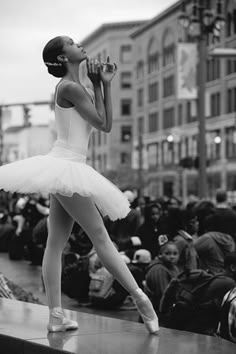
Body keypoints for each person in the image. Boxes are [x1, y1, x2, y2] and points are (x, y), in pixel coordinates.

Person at [0, 36, 158, 334]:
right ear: (62, 58)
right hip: (67, 165)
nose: (79, 45)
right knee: (99, 235)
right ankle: (140, 298)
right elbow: (105, 124)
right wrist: (105, 85)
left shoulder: (75, 87)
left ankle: (56, 316)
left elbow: (101, 122)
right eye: (71, 43)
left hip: (68, 165)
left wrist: (99, 83)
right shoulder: (70, 87)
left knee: (56, 243)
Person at [145, 237, 180, 321]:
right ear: (160, 254)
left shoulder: (173, 267)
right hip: (156, 314)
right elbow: (162, 295)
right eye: (168, 253)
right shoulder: (159, 270)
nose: (172, 257)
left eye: (175, 254)